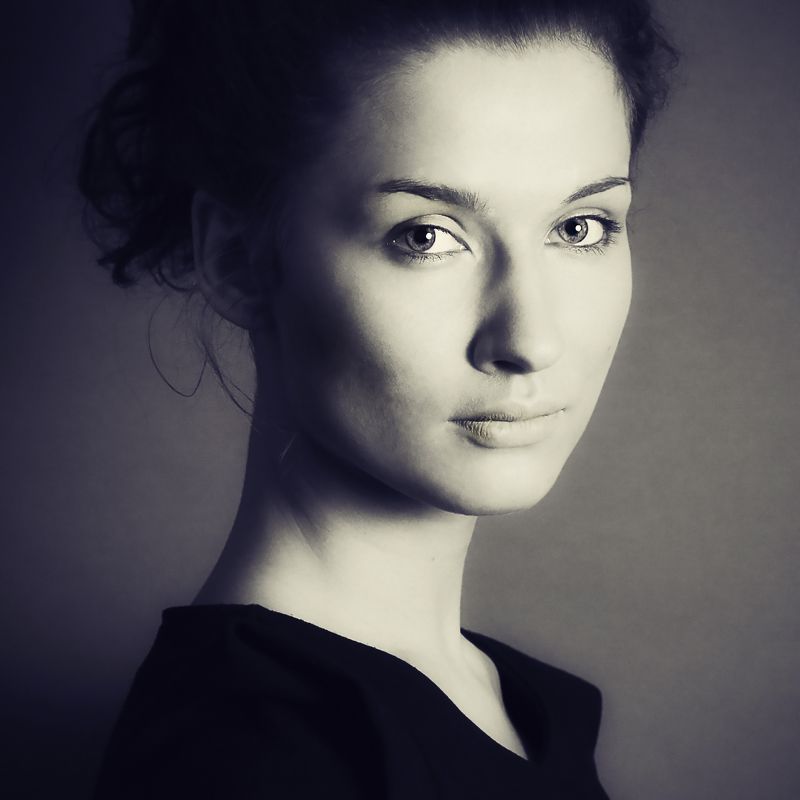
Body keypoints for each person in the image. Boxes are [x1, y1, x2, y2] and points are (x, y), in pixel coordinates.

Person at [81, 0, 677, 797]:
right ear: (235, 259)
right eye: (425, 235)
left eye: (581, 228)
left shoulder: (511, 702)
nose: (531, 340)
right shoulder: (245, 763)